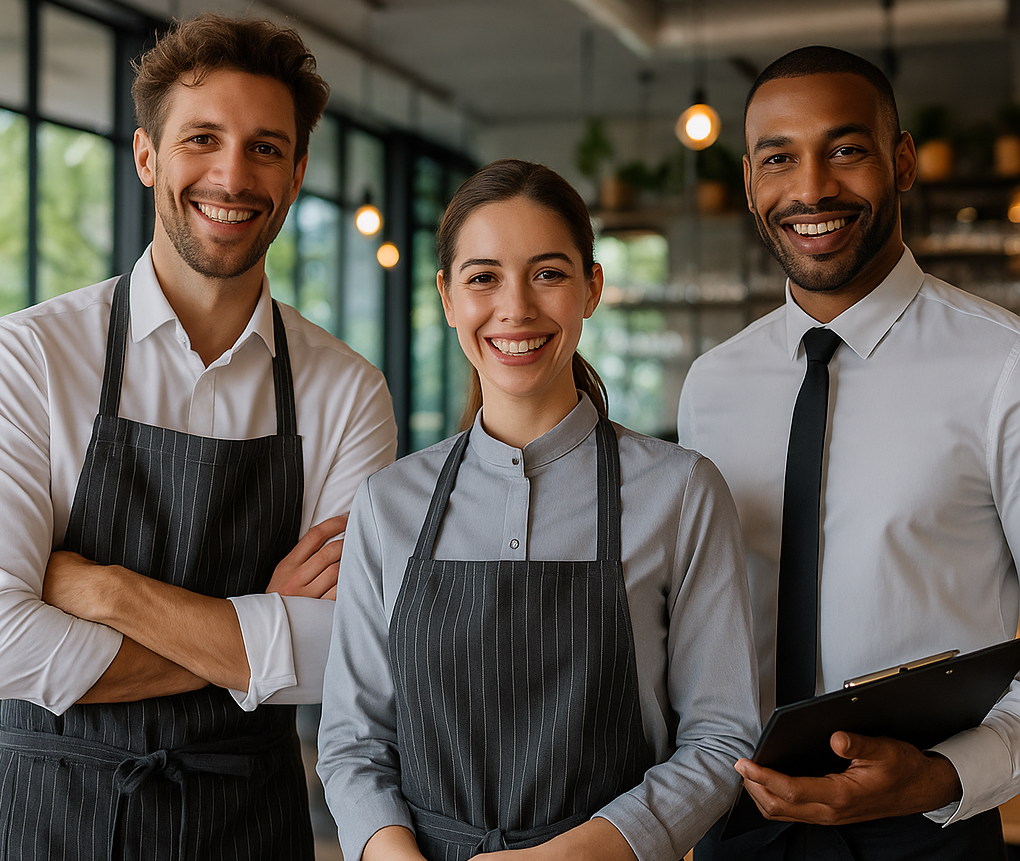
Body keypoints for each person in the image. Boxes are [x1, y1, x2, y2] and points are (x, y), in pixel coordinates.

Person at [0, 13, 397, 860]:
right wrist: (256, 639)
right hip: (47, 818)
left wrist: (108, 590)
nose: (231, 173)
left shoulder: (346, 391)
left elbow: (346, 655)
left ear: (295, 175)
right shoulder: (30, 357)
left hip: (249, 824)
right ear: (147, 156)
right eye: (202, 138)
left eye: (264, 147)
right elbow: (2, 640)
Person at [315, 158, 760, 861]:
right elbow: (353, 741)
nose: (515, 308)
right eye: (483, 277)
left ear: (592, 287)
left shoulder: (680, 491)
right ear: (447, 296)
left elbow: (721, 737)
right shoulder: (387, 502)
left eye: (548, 273)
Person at [677, 45, 1020, 860]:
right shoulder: (711, 384)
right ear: (753, 183)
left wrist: (943, 774)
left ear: (901, 162)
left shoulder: (1003, 364)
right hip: (737, 825)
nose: (811, 189)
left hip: (926, 829)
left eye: (846, 149)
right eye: (778, 159)